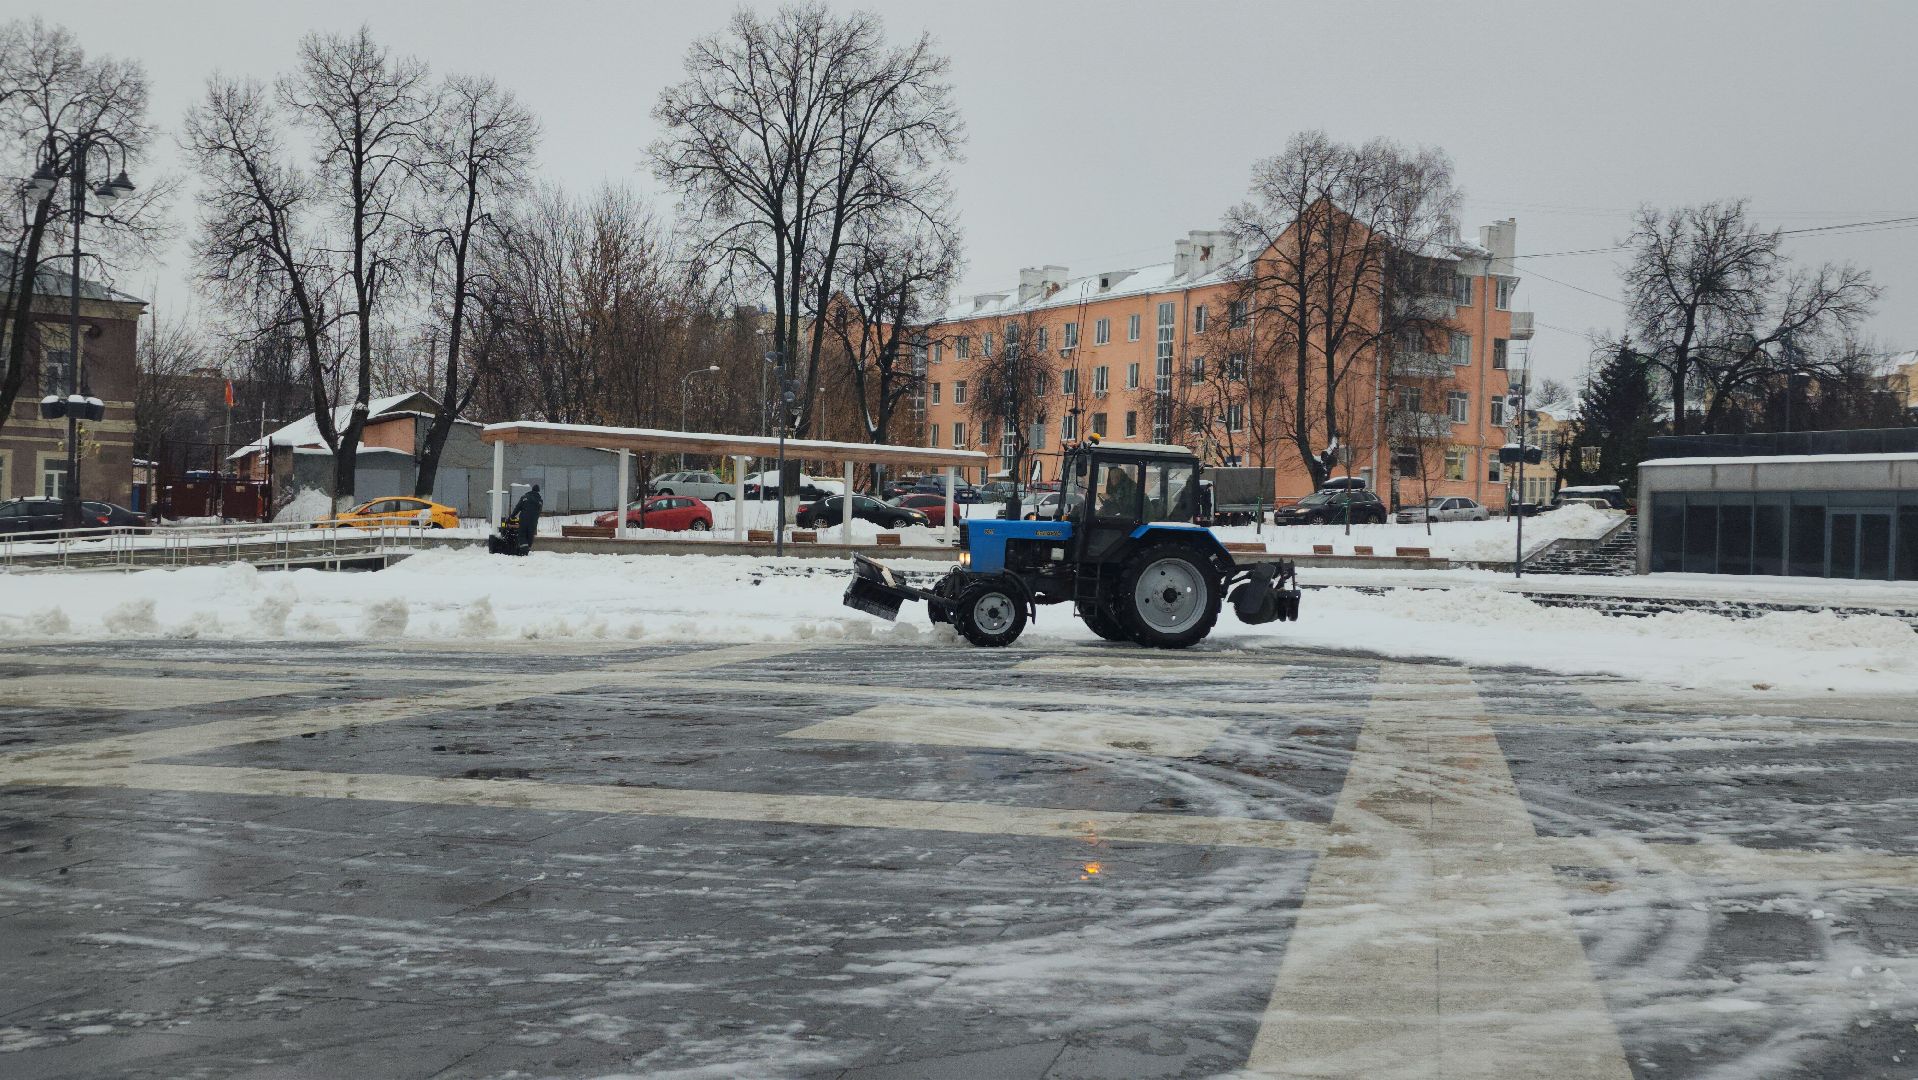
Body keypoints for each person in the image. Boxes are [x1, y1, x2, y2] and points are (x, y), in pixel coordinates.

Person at [488, 484, 543, 556]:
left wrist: (511, 517)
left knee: (522, 534)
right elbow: (538, 512)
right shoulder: (540, 501)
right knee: (530, 535)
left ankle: (523, 551)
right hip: (533, 522)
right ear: (538, 491)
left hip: (524, 519)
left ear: (531, 490)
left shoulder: (525, 497)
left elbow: (517, 508)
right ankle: (526, 549)